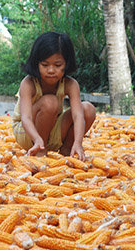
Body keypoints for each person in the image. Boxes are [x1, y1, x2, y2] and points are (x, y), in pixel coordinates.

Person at [12, 32, 96, 161]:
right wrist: (37, 139)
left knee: (88, 109)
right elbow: (26, 118)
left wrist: (78, 143)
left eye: (57, 65)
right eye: (45, 65)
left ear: (66, 64)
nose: (51, 70)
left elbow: (78, 116)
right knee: (50, 102)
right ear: (36, 63)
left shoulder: (71, 84)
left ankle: (67, 149)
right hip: (27, 133)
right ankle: (41, 150)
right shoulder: (28, 83)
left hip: (53, 130)